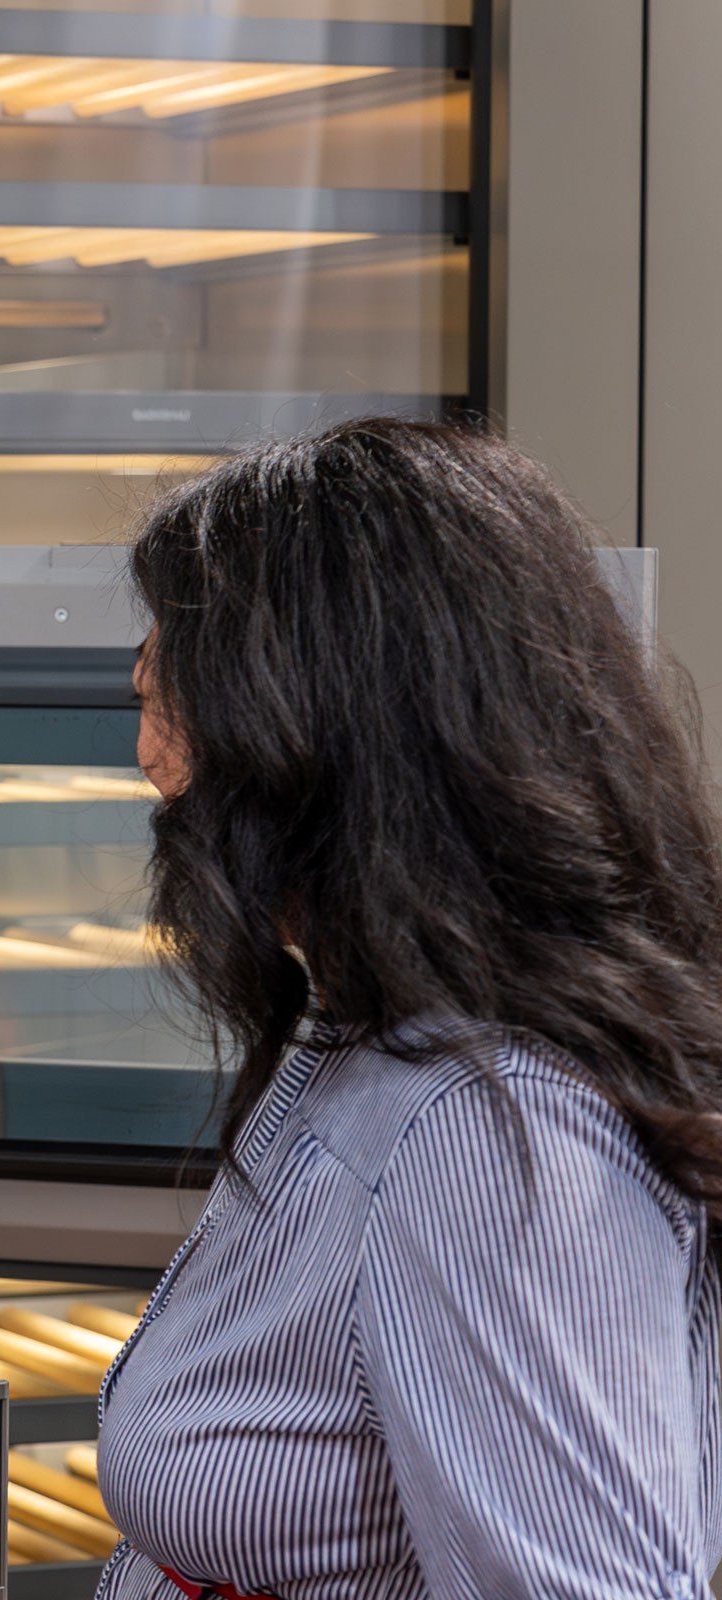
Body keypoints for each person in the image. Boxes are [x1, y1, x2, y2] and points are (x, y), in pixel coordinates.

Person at [95, 418, 722, 1598]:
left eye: (171, 707)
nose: (149, 765)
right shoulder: (359, 1032)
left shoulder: (495, 1134)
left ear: (313, 742)